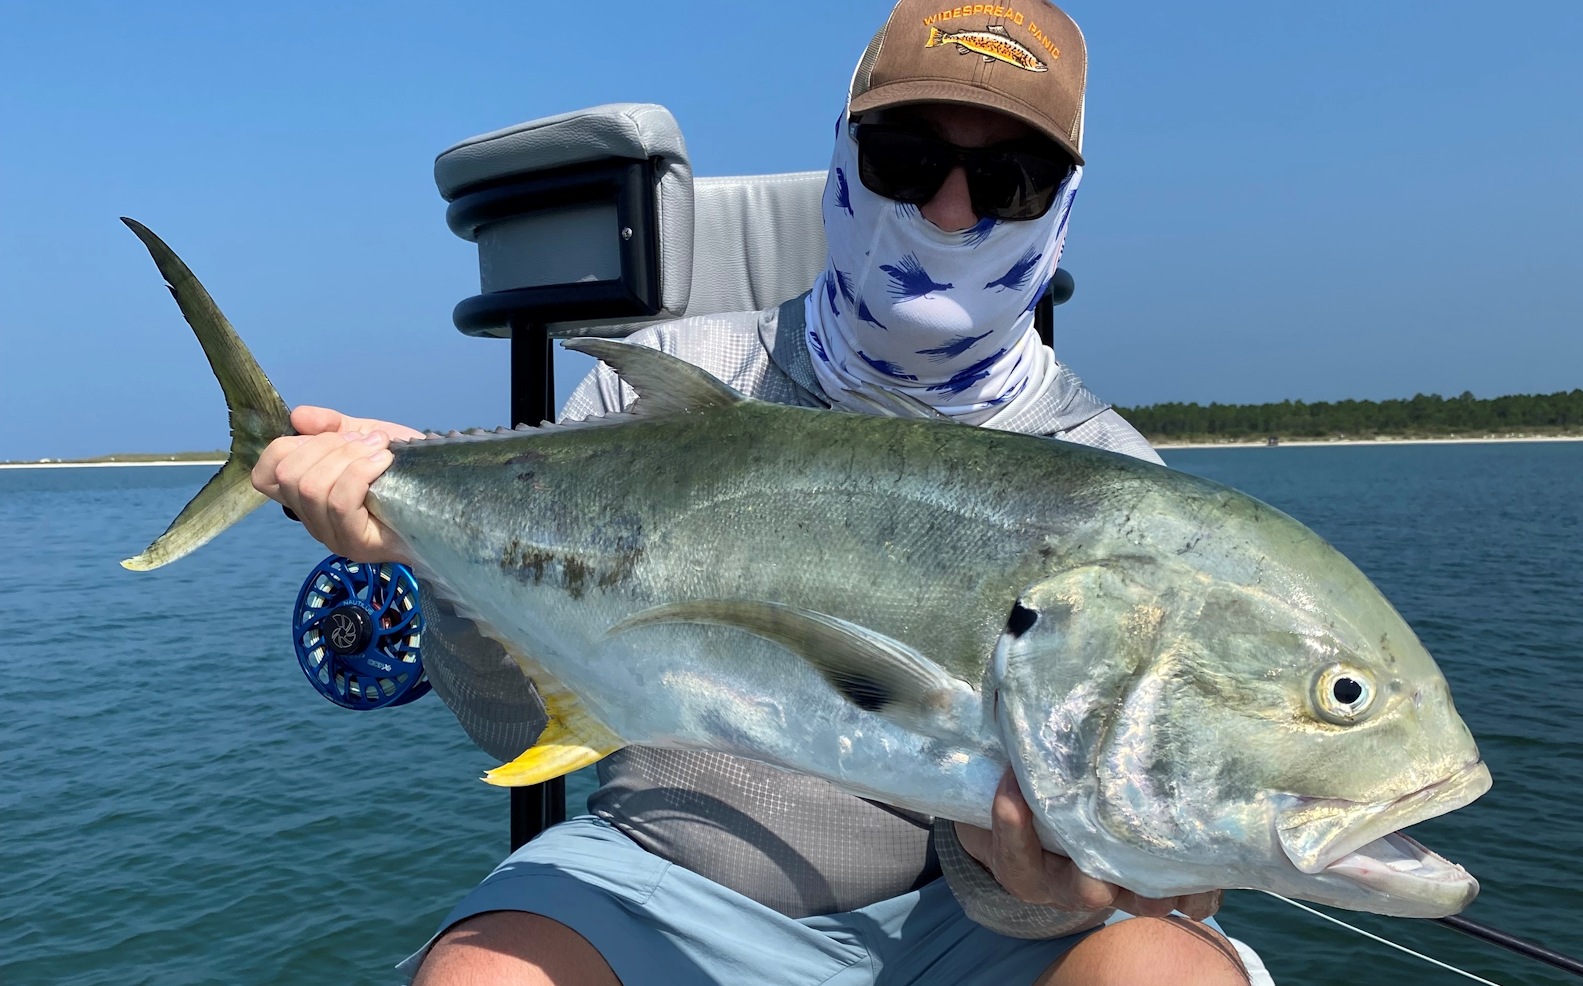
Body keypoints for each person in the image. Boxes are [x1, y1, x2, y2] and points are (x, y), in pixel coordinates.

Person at [254, 2, 1268, 983]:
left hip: (949, 925)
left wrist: (1033, 880)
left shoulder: (1112, 482)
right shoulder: (663, 381)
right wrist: (433, 554)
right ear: (843, 156)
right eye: (905, 161)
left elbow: (1033, 881)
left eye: (1010, 180)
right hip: (651, 880)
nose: (950, 210)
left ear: (1064, 203)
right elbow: (513, 727)